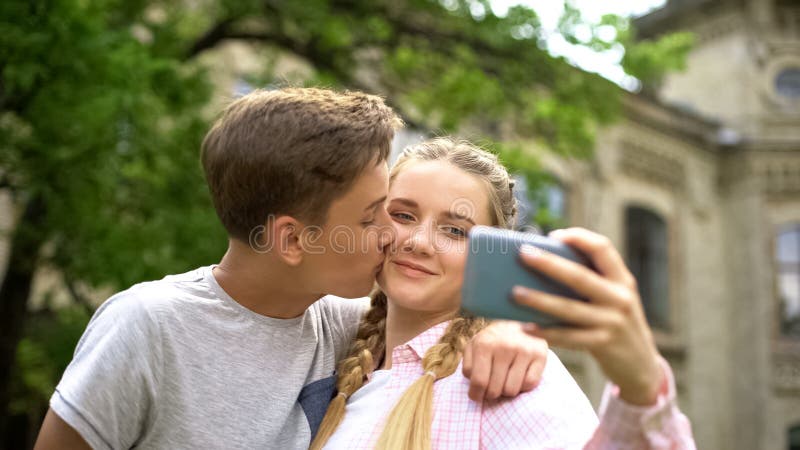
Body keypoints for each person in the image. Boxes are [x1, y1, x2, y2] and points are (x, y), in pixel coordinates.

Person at [33, 89, 549, 450]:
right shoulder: (147, 329)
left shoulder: (345, 326)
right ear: (293, 239)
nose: (394, 236)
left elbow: (444, 312)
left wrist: (508, 324)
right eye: (377, 217)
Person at [310, 137, 696, 449]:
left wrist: (642, 389)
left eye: (455, 231)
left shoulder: (502, 381)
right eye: (403, 215)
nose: (420, 242)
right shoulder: (332, 350)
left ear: (491, 254)